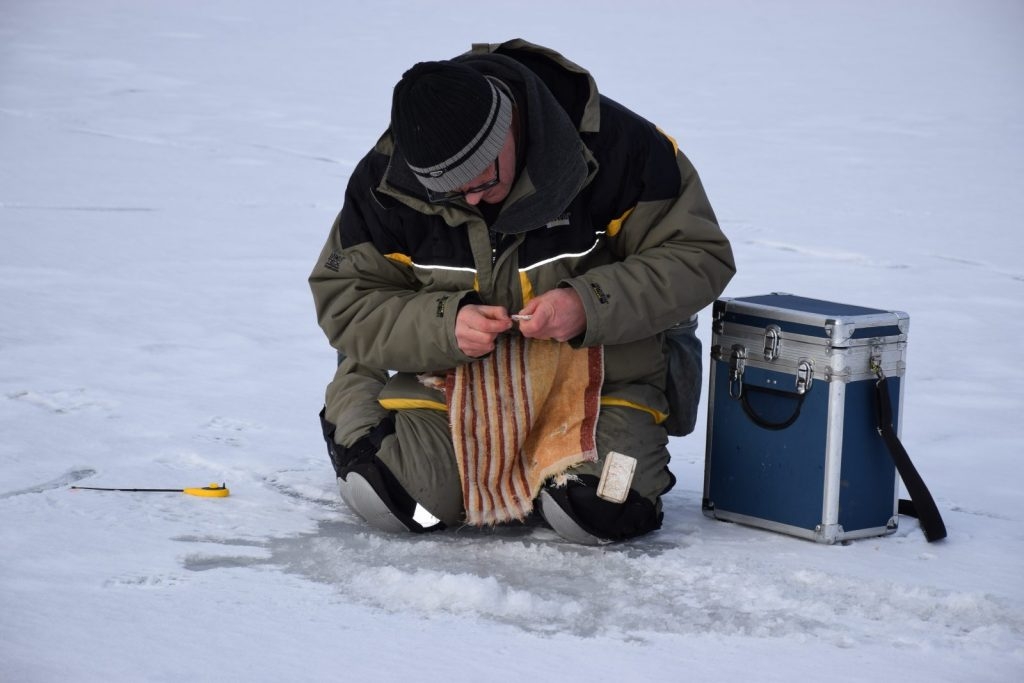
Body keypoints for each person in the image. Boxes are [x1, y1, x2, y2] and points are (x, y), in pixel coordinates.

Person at [309, 39, 735, 544]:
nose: (471, 199)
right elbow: (346, 298)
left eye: (481, 179)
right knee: (410, 510)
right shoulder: (384, 183)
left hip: (601, 389)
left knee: (602, 516)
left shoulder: (624, 149)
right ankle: (360, 407)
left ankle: (553, 480)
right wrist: (445, 325)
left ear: (507, 128)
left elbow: (699, 256)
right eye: (449, 192)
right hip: (449, 388)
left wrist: (587, 304)